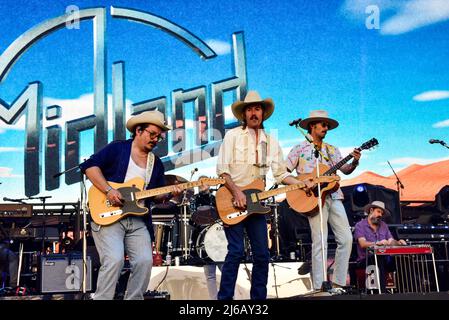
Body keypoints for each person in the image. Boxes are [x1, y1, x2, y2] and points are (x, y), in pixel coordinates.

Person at [216, 90, 309, 300]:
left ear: (263, 113)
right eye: (249, 109)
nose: (253, 113)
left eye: (257, 108)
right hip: (233, 201)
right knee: (236, 252)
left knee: (262, 255)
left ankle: (258, 301)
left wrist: (300, 183)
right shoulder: (232, 136)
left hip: (257, 204)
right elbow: (222, 170)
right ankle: (224, 301)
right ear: (243, 114)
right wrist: (237, 192)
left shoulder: (270, 141)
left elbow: (280, 173)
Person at [80, 110, 180, 300]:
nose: (156, 139)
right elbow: (89, 167)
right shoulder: (118, 148)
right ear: (139, 130)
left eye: (159, 137)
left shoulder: (155, 163)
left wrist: (168, 195)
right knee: (114, 260)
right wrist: (109, 190)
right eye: (152, 134)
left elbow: (155, 197)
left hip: (137, 219)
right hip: (109, 216)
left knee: (144, 261)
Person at [286, 110, 361, 291]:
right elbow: (284, 172)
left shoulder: (332, 150)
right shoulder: (299, 149)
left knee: (347, 239)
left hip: (334, 195)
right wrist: (301, 182)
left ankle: (338, 282)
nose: (326, 128)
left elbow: (346, 170)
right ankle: (320, 286)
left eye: (327, 126)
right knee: (319, 240)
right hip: (313, 198)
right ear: (313, 126)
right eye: (323, 125)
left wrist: (355, 161)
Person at [353, 200, 406, 291]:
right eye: (378, 211)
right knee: (379, 258)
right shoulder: (360, 225)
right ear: (371, 210)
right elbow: (362, 244)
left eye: (381, 213)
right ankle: (382, 293)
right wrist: (376, 243)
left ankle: (405, 290)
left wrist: (398, 243)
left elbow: (391, 241)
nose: (380, 215)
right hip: (365, 259)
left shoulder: (384, 225)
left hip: (384, 258)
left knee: (402, 259)